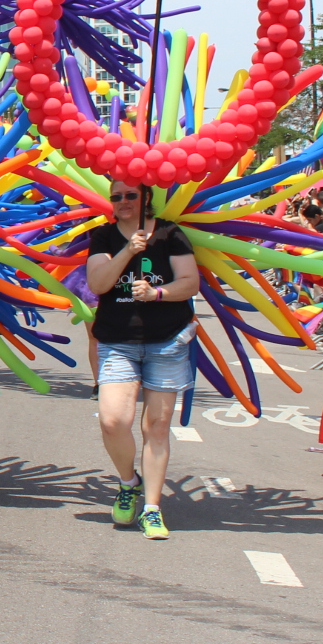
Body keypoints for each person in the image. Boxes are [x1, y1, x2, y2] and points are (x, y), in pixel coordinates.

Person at [84, 180, 201, 541]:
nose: (123, 202)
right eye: (116, 197)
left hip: (166, 341)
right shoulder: (103, 237)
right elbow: (98, 284)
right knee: (113, 420)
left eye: (130, 196)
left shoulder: (170, 233)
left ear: (145, 198)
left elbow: (190, 282)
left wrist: (158, 293)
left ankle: (151, 508)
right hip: (118, 342)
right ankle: (128, 482)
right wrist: (127, 251)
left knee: (157, 428)